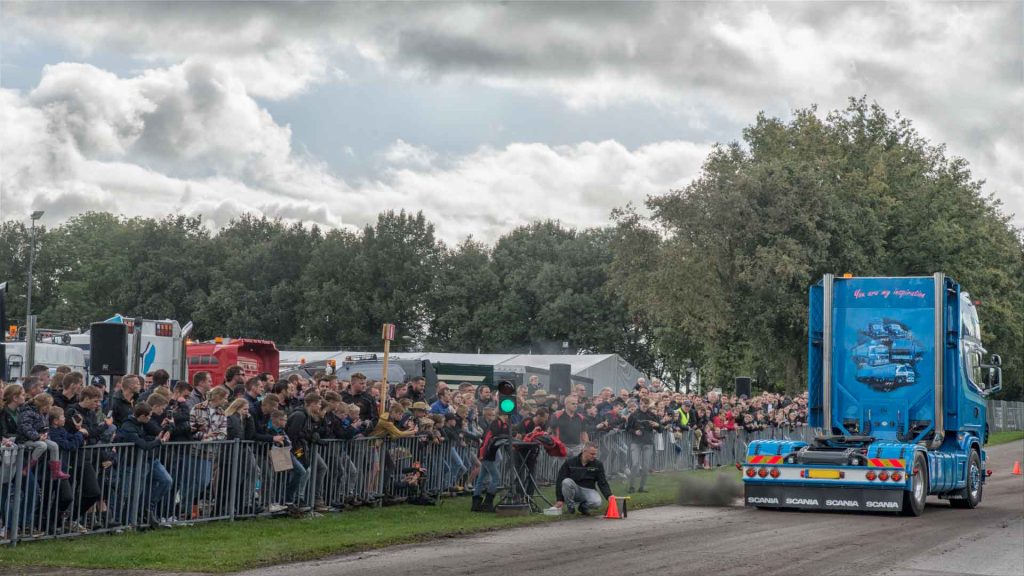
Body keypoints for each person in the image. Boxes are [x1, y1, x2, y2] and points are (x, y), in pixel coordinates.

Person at [554, 441, 612, 516]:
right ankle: (570, 506)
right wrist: (559, 499)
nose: (594, 456)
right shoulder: (570, 462)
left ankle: (583, 507)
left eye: (595, 454)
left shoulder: (598, 464)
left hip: (589, 490)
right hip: (574, 490)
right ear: (584, 451)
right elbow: (560, 480)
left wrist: (609, 496)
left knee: (597, 502)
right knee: (566, 481)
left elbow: (602, 482)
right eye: (592, 454)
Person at [625, 397, 659, 493]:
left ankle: (642, 487)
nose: (645, 407)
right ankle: (631, 486)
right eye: (643, 406)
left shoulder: (652, 415)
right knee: (635, 464)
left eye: (647, 406)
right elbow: (627, 429)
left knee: (645, 466)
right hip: (636, 443)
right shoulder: (633, 415)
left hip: (648, 443)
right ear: (640, 404)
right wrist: (635, 431)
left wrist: (657, 425)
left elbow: (660, 429)